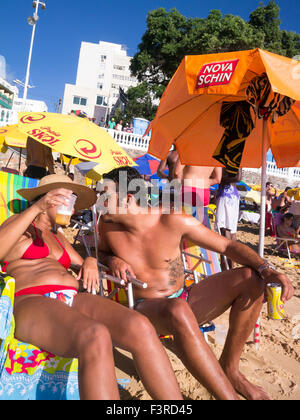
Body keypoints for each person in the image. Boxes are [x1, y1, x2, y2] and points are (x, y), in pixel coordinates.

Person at [97, 167, 294, 401]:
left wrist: (266, 270)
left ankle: (230, 369)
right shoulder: (107, 227)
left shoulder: (172, 219)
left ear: (128, 198)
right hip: (145, 310)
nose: (99, 202)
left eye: (105, 196)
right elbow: (100, 254)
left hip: (184, 299)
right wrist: (112, 259)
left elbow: (227, 247)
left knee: (251, 279)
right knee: (176, 309)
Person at [0, 174, 182, 401]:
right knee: (96, 335)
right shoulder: (19, 224)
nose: (74, 209)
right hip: (32, 300)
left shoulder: (58, 236)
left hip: (71, 297)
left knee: (140, 326)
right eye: (68, 200)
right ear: (49, 199)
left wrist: (90, 261)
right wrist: (37, 207)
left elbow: (83, 260)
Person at [214, 168, 242, 270]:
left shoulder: (223, 159)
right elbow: (238, 178)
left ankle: (226, 266)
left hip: (226, 194)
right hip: (233, 194)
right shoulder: (237, 159)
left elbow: (238, 178)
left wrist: (221, 178)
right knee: (232, 232)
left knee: (224, 231)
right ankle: (230, 265)